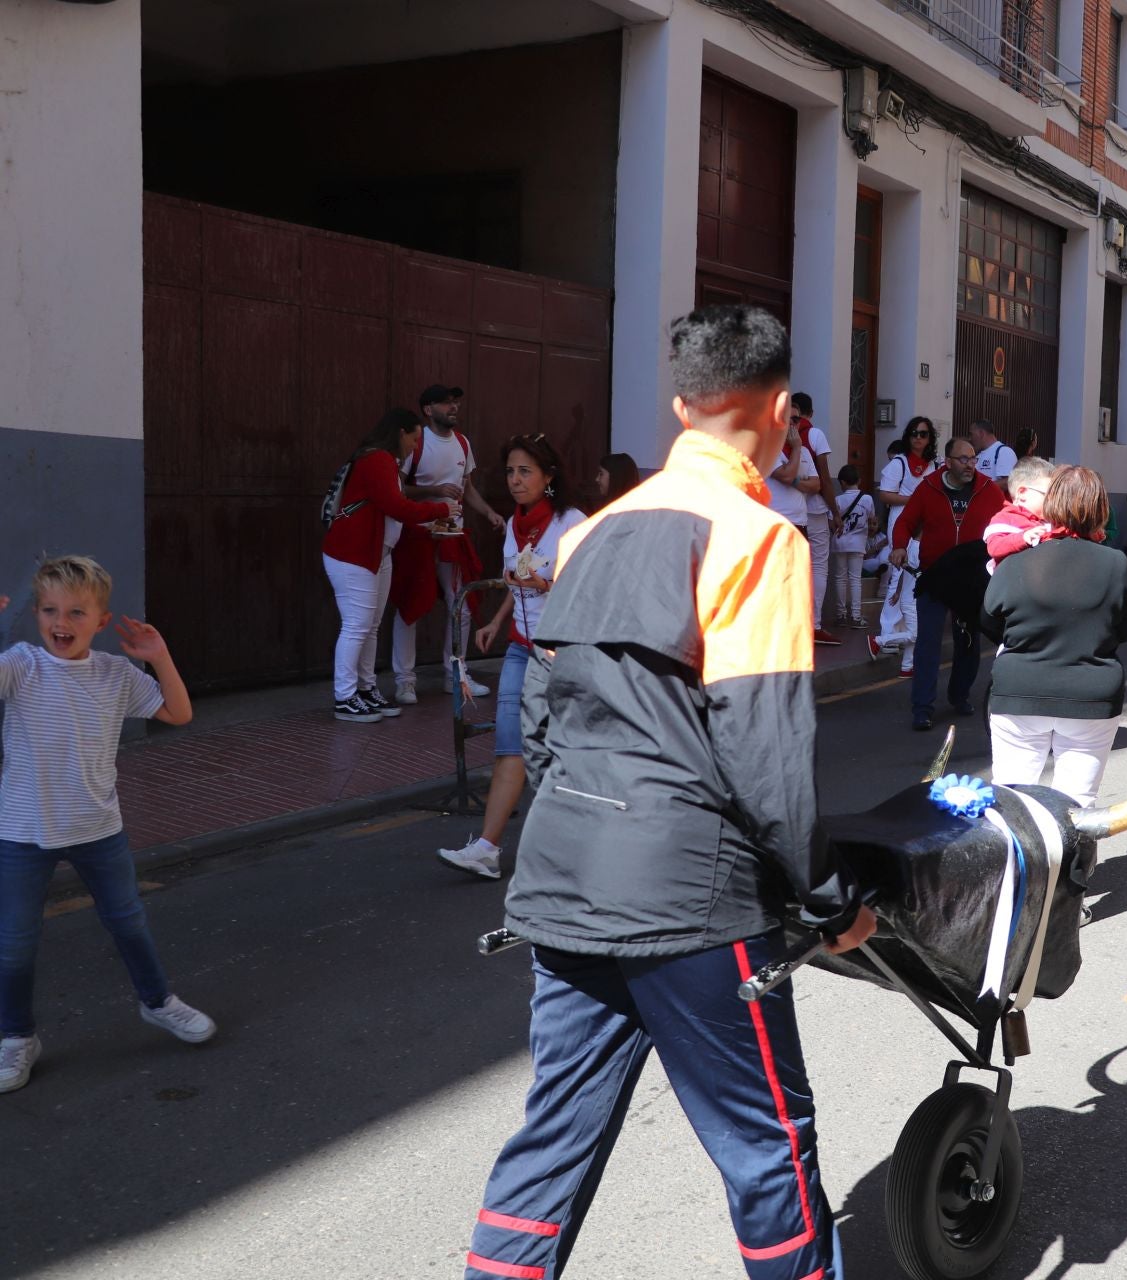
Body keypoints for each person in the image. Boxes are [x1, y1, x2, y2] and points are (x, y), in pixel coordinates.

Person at [460, 304, 874, 1280]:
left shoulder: (591, 533)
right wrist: (829, 900)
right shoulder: (760, 537)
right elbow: (767, 754)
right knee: (769, 1146)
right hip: (691, 894)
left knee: (551, 1141)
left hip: (565, 873)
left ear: (683, 407)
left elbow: (547, 717)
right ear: (782, 411)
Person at [0, 559, 213, 1095]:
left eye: (76, 612)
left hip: (98, 828)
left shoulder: (116, 674)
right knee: (14, 944)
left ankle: (158, 1002)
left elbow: (178, 713)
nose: (61, 621)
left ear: (101, 620)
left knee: (128, 922)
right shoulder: (21, 665)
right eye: (50, 610)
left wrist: (159, 658)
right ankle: (16, 1036)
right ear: (36, 614)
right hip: (22, 832)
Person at [436, 435, 586, 881]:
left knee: (565, 753)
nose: (515, 480)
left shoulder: (572, 523)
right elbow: (515, 580)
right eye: (510, 472)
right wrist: (497, 620)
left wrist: (547, 586)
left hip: (564, 653)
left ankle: (583, 848)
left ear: (548, 476)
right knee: (509, 746)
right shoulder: (515, 524)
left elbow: (589, 586)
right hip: (521, 648)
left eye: (525, 471)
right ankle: (487, 849)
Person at [979, 466, 1127, 802]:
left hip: (1019, 689)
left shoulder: (1017, 559)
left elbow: (990, 619)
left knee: (1011, 801)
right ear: (1100, 509)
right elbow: (1124, 629)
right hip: (1091, 693)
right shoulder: (1115, 563)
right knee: (1077, 804)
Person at [320, 409, 458, 721]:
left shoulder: (383, 460)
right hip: (354, 555)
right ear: (400, 433)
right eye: (414, 438)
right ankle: (345, 697)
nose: (415, 446)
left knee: (370, 626)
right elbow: (396, 506)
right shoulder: (377, 459)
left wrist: (427, 526)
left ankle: (366, 689)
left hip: (375, 554)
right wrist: (440, 509)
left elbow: (391, 513)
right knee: (357, 626)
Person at [391, 384, 504, 704]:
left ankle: (455, 675)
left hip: (453, 536)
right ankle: (405, 681)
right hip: (417, 535)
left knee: (462, 605)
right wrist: (434, 491)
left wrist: (488, 512)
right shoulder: (417, 442)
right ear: (428, 410)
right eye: (445, 403)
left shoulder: (463, 443)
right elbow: (397, 488)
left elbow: (467, 488)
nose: (453, 407)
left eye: (455, 402)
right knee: (411, 605)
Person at [890, 437, 1007, 731]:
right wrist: (899, 545)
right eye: (963, 459)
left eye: (973, 459)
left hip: (971, 578)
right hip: (935, 576)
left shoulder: (987, 489)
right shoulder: (929, 487)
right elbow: (905, 521)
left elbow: (1007, 519)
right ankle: (922, 708)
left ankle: (960, 695)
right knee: (928, 642)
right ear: (948, 462)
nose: (970, 465)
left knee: (967, 640)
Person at [872, 418, 938, 674]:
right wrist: (916, 501)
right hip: (901, 521)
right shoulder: (899, 463)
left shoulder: (935, 464)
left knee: (913, 578)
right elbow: (884, 494)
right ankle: (889, 632)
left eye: (923, 434)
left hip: (924, 527)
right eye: (914, 433)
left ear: (930, 438)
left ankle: (902, 636)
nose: (918, 438)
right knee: (898, 574)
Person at [788, 393, 842, 644]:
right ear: (811, 412)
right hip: (816, 507)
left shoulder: (781, 438)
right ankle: (814, 623)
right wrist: (835, 511)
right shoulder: (814, 434)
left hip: (794, 507)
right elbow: (824, 477)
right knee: (818, 564)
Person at [983, 455, 1058, 566]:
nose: (1054, 501)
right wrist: (1023, 538)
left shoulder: (1050, 520)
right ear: (1022, 493)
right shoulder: (1005, 519)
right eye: (1048, 495)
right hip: (1012, 574)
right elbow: (995, 547)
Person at [832, 465, 877, 626]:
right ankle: (856, 616)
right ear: (859, 480)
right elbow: (872, 518)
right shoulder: (867, 499)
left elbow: (832, 521)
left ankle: (841, 615)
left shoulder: (837, 500)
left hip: (839, 542)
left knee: (840, 578)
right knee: (855, 579)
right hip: (858, 544)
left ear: (842, 482)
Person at [970, 418, 1016, 487]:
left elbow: (1009, 481)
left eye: (971, 434)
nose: (970, 438)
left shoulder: (1004, 452)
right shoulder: (977, 455)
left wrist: (982, 489)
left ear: (981, 433)